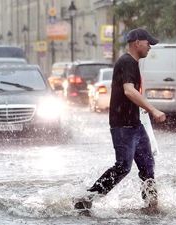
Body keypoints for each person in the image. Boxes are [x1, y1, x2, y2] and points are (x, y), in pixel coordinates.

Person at [74, 28, 166, 212]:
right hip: (123, 126)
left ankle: (151, 205)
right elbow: (129, 91)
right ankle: (86, 198)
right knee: (123, 166)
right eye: (148, 43)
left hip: (135, 125)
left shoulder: (132, 62)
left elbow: (132, 93)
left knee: (147, 166)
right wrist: (153, 109)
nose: (150, 47)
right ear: (137, 42)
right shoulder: (127, 62)